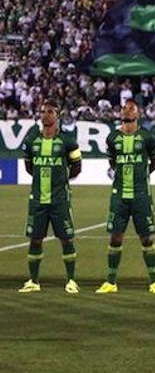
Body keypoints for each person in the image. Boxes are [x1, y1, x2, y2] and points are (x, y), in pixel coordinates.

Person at [96, 99, 155, 294]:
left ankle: (154, 282)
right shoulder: (112, 138)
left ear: (137, 114)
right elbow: (112, 162)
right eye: (124, 108)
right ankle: (110, 282)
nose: (126, 111)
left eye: (131, 109)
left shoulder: (147, 137)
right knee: (116, 239)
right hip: (119, 196)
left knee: (146, 239)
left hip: (141, 196)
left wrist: (141, 176)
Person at [18, 101, 82, 294]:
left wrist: (61, 180)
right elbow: (29, 167)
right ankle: (34, 281)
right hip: (38, 200)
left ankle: (71, 280)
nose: (45, 115)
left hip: (59, 200)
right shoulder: (31, 141)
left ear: (58, 115)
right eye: (43, 112)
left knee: (66, 239)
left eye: (50, 112)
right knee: (35, 240)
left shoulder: (68, 141)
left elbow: (77, 167)